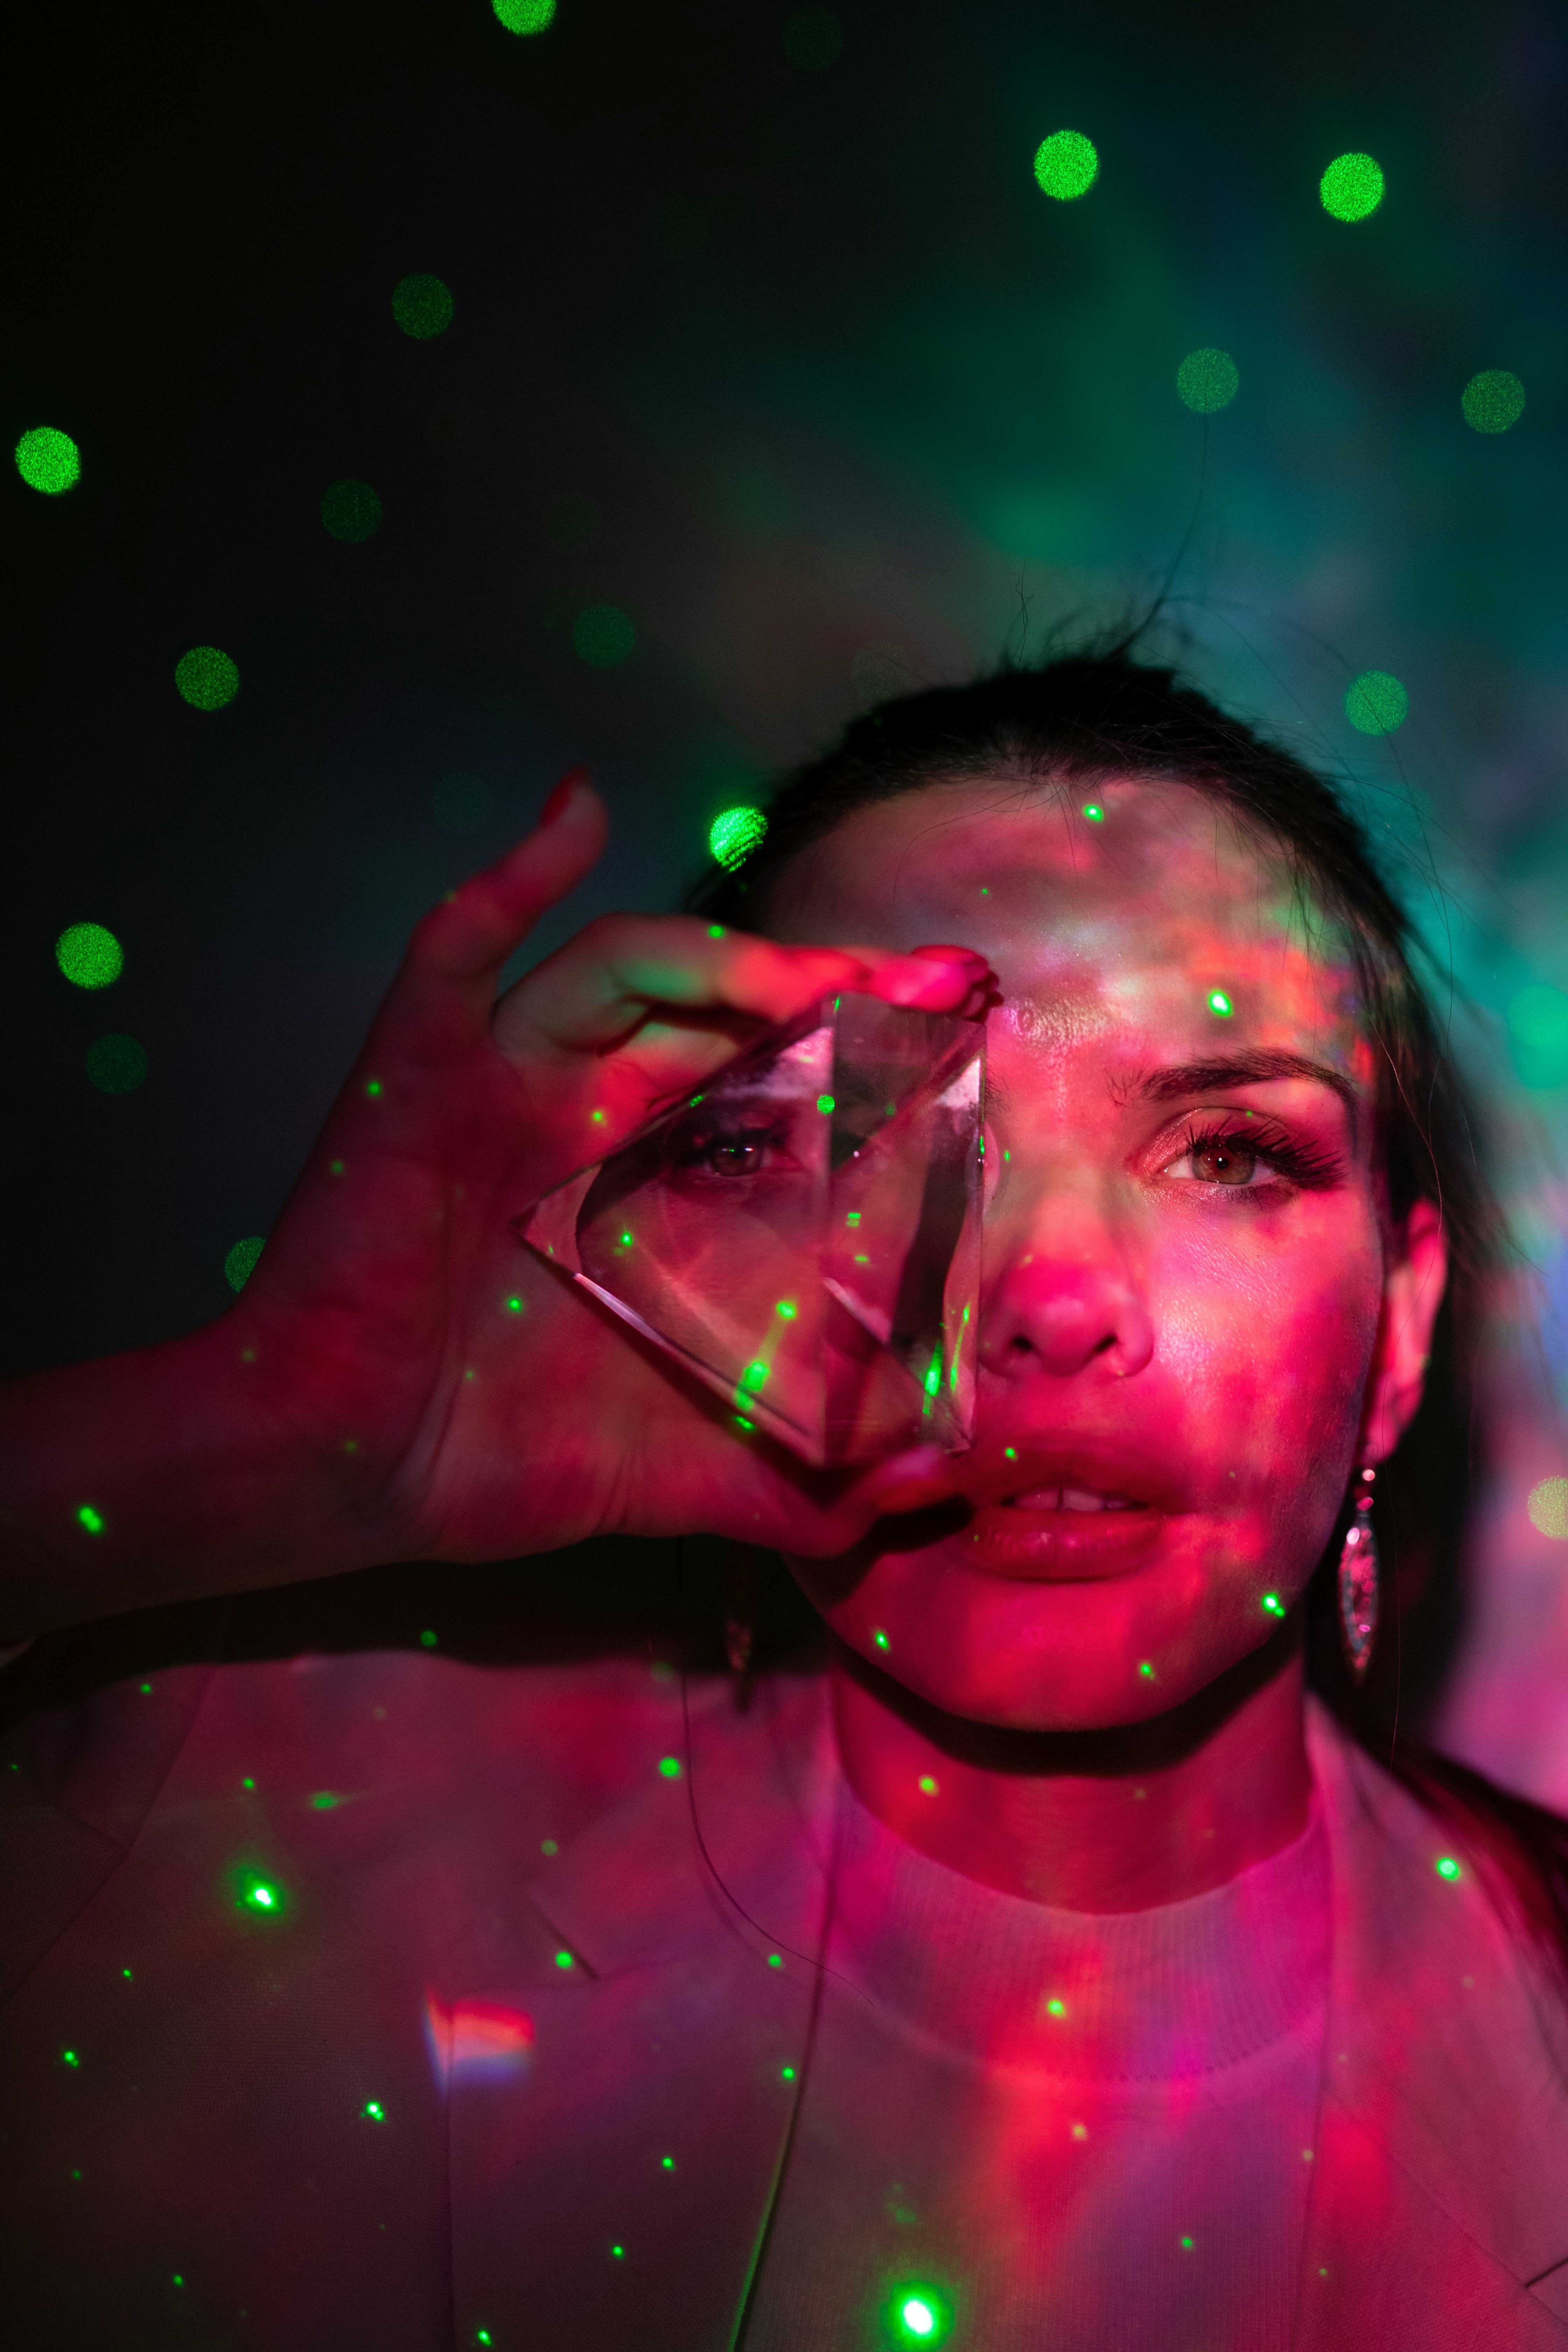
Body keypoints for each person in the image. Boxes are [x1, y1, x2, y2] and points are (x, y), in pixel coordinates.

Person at [3, 649, 1567, 2351]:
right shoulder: (271, 1820)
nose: (1047, 1293)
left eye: (1229, 1153)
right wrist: (264, 1450)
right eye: (891, 1142)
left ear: (1400, 1331)